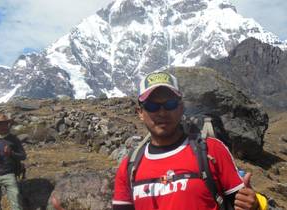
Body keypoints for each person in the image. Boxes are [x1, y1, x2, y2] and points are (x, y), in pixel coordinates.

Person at [112, 71, 263, 210]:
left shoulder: (212, 150)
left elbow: (242, 202)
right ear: (140, 113)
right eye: (152, 106)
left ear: (181, 108)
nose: (162, 112)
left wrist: (254, 205)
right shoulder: (128, 167)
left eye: (170, 104)